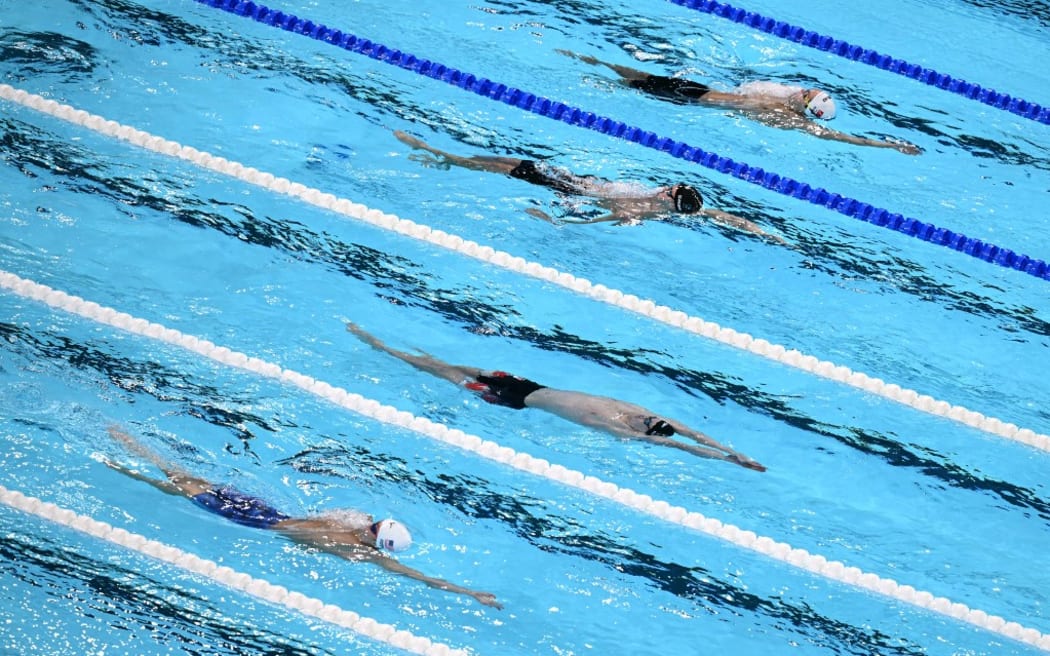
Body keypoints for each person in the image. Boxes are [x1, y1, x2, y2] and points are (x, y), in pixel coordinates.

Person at [103, 426, 502, 609]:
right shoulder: (355, 529)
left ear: (377, 541)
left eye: (375, 528)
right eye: (375, 522)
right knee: (188, 481)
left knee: (179, 484)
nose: (370, 523)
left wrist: (470, 593)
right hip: (267, 515)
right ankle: (131, 450)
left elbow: (418, 577)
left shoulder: (359, 550)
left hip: (255, 521)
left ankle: (126, 460)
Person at [347, 323, 766, 472]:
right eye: (651, 421)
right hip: (529, 384)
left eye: (651, 428)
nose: (646, 422)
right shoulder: (635, 412)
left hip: (512, 401)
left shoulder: (619, 429)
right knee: (450, 362)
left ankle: (383, 349)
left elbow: (684, 445)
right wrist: (733, 450)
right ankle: (393, 348)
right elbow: (692, 432)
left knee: (439, 373)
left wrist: (724, 461)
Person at [394, 130, 784, 242]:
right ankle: (442, 156)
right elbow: (719, 215)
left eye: (672, 187)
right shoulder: (672, 206)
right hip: (571, 180)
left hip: (569, 189)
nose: (667, 185)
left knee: (502, 166)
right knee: (506, 161)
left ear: (670, 196)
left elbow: (598, 220)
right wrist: (765, 231)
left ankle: (437, 153)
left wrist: (553, 220)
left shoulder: (641, 209)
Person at [557, 50, 921, 155]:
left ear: (806, 108)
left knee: (628, 83)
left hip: (696, 100)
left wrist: (885, 145)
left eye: (806, 96)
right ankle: (585, 59)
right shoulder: (789, 97)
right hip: (699, 90)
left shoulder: (791, 118)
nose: (802, 91)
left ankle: (581, 69)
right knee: (627, 73)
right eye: (808, 90)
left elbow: (839, 138)